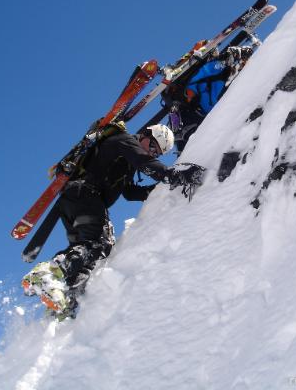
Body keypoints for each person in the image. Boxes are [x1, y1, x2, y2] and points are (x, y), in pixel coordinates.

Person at [22, 123, 203, 316]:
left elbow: (129, 192)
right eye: (152, 147)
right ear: (145, 135)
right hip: (84, 195)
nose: (152, 153)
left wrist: (156, 191)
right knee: (99, 243)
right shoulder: (123, 141)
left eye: (156, 153)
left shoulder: (125, 164)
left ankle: (66, 295)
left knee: (93, 253)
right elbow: (143, 161)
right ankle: (47, 274)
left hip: (76, 202)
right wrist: (172, 175)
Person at [162, 35, 261, 152]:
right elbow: (207, 73)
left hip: (195, 109)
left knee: (182, 133)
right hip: (193, 105)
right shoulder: (216, 69)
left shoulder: (224, 75)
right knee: (181, 131)